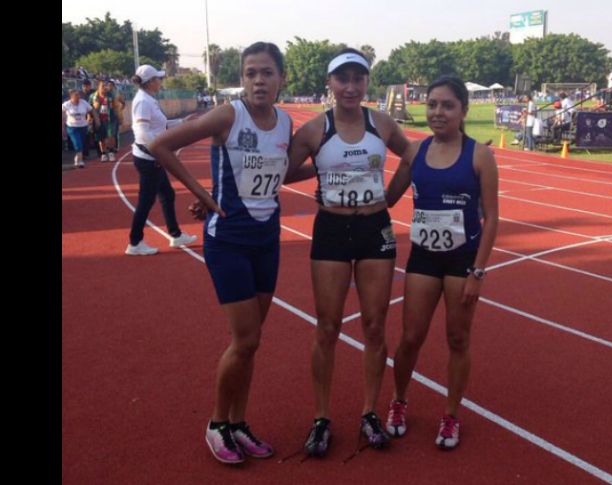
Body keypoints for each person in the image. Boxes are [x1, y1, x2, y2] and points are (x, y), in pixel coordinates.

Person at [150, 42, 310, 465]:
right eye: (251, 73)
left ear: (281, 78)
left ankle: (239, 423)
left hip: (267, 239)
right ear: (242, 78)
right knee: (245, 339)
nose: (259, 81)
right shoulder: (228, 115)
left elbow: (280, 173)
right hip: (229, 242)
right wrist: (202, 193)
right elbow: (161, 145)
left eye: (267, 73)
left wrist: (325, 169)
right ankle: (217, 423)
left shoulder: (285, 122)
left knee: (251, 343)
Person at [287, 48, 410, 457]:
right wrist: (321, 170)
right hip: (332, 230)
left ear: (366, 82)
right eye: (343, 79)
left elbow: (413, 157)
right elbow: (281, 171)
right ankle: (321, 417)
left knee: (375, 326)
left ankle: (369, 412)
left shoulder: (382, 123)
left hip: (375, 229)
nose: (351, 87)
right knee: (328, 326)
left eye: (359, 78)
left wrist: (390, 197)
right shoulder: (313, 130)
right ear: (330, 83)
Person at [384, 75, 499, 450]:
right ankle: (398, 401)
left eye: (447, 105)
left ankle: (450, 414)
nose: (438, 112)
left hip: (463, 260)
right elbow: (387, 198)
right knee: (410, 337)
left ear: (463, 110)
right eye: (432, 104)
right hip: (424, 259)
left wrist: (478, 271)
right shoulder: (415, 152)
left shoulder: (479, 156)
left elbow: (492, 219)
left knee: (458, 339)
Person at [125, 64, 198, 256]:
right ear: (150, 82)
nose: (161, 81)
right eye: (158, 78)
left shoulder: (148, 99)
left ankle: (175, 234)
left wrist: (182, 122)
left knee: (167, 194)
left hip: (152, 156)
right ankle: (135, 242)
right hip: (149, 158)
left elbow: (161, 125)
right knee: (146, 200)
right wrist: (158, 152)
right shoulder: (143, 102)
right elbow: (142, 132)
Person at [62, 89, 96, 168]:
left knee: (81, 143)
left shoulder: (83, 103)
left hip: (83, 127)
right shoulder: (67, 104)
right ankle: (80, 161)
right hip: (72, 127)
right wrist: (62, 125)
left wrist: (93, 118)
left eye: (79, 95)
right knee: (78, 144)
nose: (78, 97)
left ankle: (77, 159)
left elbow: (91, 110)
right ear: (71, 96)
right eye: (76, 95)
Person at [90, 80, 117, 162]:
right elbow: (89, 108)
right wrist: (90, 117)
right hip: (98, 120)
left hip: (109, 119)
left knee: (110, 136)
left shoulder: (110, 95)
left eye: (106, 86)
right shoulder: (93, 96)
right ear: (98, 87)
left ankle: (111, 152)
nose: (105, 87)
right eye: (103, 86)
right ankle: (103, 154)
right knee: (101, 138)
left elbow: (115, 106)